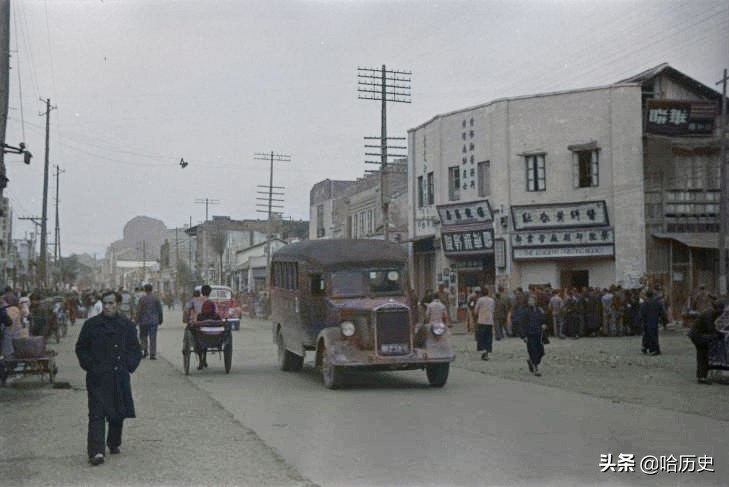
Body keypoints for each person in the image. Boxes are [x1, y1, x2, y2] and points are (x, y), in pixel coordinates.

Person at [75, 290, 142, 466]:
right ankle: (96, 451)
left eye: (111, 303)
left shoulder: (127, 325)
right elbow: (81, 348)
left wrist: (128, 366)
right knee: (96, 412)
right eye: (105, 303)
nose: (108, 306)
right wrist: (90, 365)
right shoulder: (91, 325)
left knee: (117, 411)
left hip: (118, 374)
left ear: (118, 304)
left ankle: (113, 442)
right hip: (98, 376)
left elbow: (135, 349)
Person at [688, 299, 724, 384]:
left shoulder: (711, 313)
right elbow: (710, 329)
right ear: (717, 308)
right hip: (698, 335)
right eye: (721, 309)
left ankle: (702, 376)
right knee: (703, 355)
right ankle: (702, 377)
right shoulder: (709, 314)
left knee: (702, 355)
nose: (722, 311)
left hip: (698, 334)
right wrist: (718, 334)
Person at [519, 293, 547, 376]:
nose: (531, 302)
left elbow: (543, 320)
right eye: (529, 300)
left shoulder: (539, 310)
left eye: (532, 300)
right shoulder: (525, 311)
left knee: (541, 352)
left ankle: (531, 361)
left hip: (539, 334)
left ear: (535, 301)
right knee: (533, 351)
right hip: (530, 334)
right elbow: (522, 324)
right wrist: (523, 336)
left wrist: (544, 325)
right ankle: (536, 368)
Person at [135, 283, 164, 360]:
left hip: (143, 321)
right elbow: (160, 310)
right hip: (154, 321)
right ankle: (152, 354)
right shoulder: (156, 298)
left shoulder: (142, 299)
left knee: (143, 337)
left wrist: (136, 320)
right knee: (153, 337)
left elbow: (139, 311)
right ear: (152, 289)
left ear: (145, 290)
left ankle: (145, 351)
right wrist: (160, 319)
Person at [194, 299, 222, 370]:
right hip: (216, 338)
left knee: (197, 336)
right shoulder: (217, 317)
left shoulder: (200, 316)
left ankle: (201, 360)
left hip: (202, 339)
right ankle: (204, 359)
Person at [640, 288, 668, 356]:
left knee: (647, 335)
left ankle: (649, 348)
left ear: (646, 295)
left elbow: (641, 313)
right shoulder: (657, 303)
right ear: (652, 295)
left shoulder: (645, 303)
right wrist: (664, 320)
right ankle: (652, 348)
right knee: (653, 335)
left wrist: (641, 321)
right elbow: (662, 313)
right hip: (654, 321)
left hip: (646, 321)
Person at [473, 287, 495, 361]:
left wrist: (476, 315)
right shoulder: (491, 300)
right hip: (490, 321)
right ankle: (487, 351)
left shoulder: (480, 300)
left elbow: (476, 310)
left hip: (482, 321)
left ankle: (483, 351)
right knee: (488, 337)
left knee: (482, 337)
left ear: (481, 293)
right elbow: (493, 309)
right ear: (488, 293)